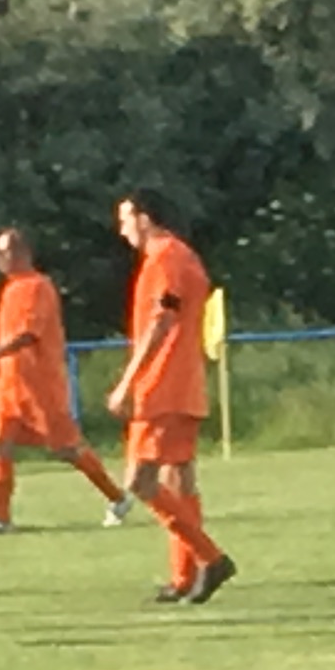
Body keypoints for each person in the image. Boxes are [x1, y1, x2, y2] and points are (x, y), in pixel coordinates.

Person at [108, 189, 235, 605]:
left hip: (161, 387)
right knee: (178, 480)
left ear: (145, 218)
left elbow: (162, 319)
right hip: (184, 384)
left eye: (125, 218)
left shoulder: (165, 258)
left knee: (140, 481)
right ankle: (185, 575)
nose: (122, 229)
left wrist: (128, 381)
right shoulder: (182, 255)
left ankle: (210, 558)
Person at [0, 226, 128, 533]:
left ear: (23, 252)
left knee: (66, 449)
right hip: (10, 384)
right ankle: (0, 518)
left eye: (5, 251)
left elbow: (28, 334)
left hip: (40, 385)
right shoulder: (9, 289)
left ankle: (117, 497)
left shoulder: (38, 286)